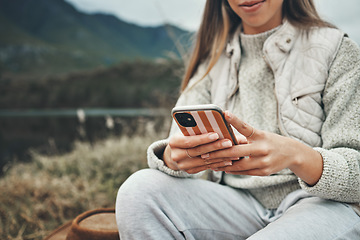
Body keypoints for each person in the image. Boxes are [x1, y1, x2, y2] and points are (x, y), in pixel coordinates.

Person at [116, 0, 360, 239]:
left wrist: (297, 155)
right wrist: (172, 158)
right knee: (137, 191)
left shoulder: (337, 50)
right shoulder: (212, 61)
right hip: (235, 207)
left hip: (320, 206)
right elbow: (175, 145)